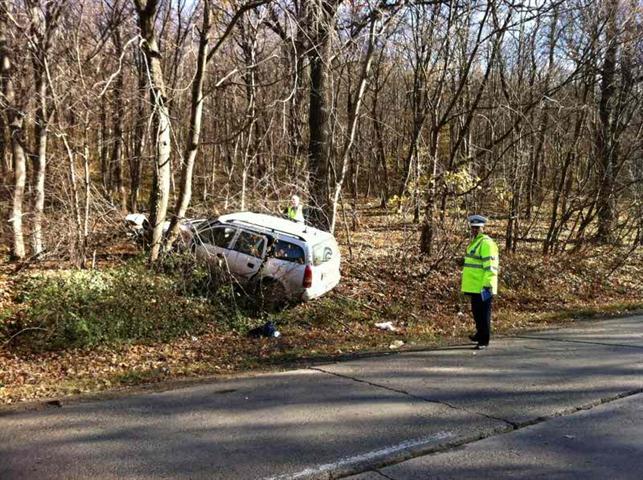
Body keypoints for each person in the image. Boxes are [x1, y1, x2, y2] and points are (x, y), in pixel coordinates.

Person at [461, 214, 499, 350]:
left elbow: (491, 267)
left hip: (483, 286)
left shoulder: (486, 243)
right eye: (473, 228)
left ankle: (484, 340)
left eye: (477, 228)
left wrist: (487, 285)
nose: (475, 230)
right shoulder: (476, 241)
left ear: (483, 228)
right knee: (477, 312)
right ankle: (480, 333)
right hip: (474, 285)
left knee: (483, 314)